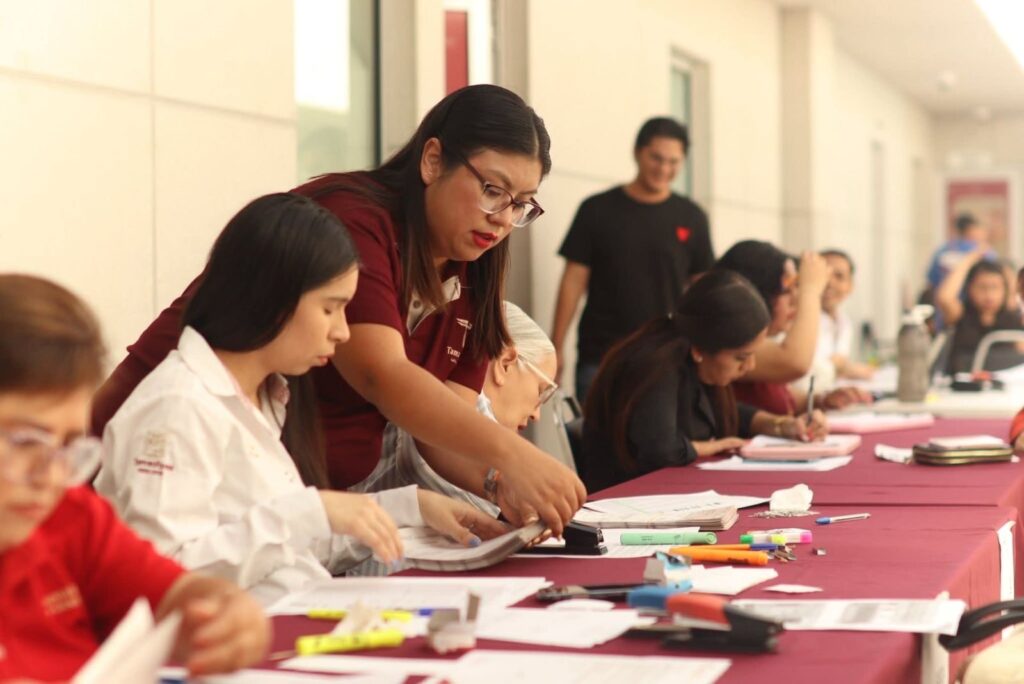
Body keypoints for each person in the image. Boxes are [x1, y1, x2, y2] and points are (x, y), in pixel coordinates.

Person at [90, 85, 584, 536]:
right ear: (433, 160)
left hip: (284, 509)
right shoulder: (351, 222)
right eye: (493, 191)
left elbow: (440, 429)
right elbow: (380, 374)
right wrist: (512, 455)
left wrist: (501, 482)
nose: (503, 219)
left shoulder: (472, 259)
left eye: (521, 204)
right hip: (176, 480)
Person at [96, 194, 507, 604]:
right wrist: (312, 512)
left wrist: (409, 508)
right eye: (331, 309)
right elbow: (163, 571)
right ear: (271, 296)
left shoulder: (265, 397)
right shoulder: (179, 405)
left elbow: (288, 551)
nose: (342, 332)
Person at [0, 274, 268, 681]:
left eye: (69, 446)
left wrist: (224, 611)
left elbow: (176, 595)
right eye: (25, 442)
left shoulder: (69, 518)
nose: (50, 476)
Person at [579, 269, 828, 493]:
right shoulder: (655, 365)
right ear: (699, 349)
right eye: (741, 357)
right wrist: (712, 446)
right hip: (624, 502)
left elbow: (727, 412)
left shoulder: (691, 360)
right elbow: (661, 450)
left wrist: (782, 425)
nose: (750, 366)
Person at [551, 117, 714, 403]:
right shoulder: (596, 209)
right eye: (656, 158)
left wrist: (707, 349)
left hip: (667, 358)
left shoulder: (692, 217)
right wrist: (556, 347)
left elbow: (704, 290)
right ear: (638, 152)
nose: (663, 169)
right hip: (601, 357)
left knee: (661, 433)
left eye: (673, 162)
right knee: (596, 432)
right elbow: (573, 281)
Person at [355, 301, 558, 516]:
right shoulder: (454, 406)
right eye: (541, 391)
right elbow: (495, 515)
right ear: (505, 363)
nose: (536, 415)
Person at [717, 241, 868, 415]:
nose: (796, 300)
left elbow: (789, 399)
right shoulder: (733, 343)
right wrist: (810, 290)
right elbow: (796, 363)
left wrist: (823, 400)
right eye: (787, 290)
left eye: (798, 288)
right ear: (756, 295)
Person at [935, 249, 1024, 375]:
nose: (989, 295)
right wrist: (968, 261)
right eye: (982, 287)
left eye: (995, 287)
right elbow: (945, 298)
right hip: (964, 383)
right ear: (969, 289)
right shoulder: (960, 315)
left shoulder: (1012, 319)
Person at [810, 249, 874, 385]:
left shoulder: (845, 322)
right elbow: (806, 374)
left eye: (839, 276)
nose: (829, 283)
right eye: (824, 275)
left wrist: (843, 368)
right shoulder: (798, 321)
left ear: (850, 286)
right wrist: (842, 368)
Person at [925, 213, 992, 331]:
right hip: (972, 316)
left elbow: (930, 285)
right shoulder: (983, 253)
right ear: (971, 229)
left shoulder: (942, 251)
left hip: (943, 315)